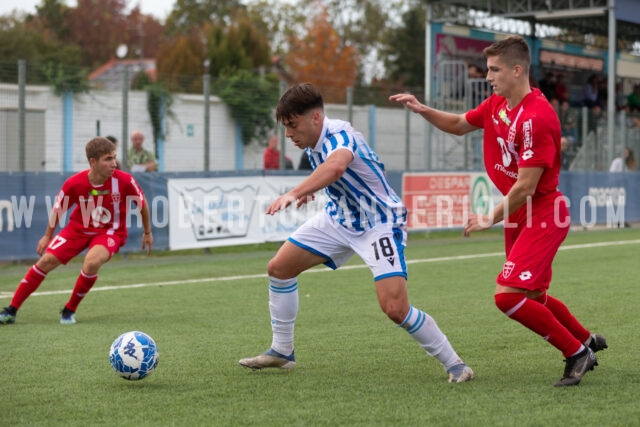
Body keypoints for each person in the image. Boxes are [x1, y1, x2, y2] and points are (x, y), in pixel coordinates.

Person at [390, 35, 607, 387]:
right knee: (533, 297)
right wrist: (422, 109)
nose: (488, 76)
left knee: (506, 297)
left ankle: (576, 353)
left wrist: (489, 217)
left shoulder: (537, 118)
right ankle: (584, 338)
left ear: (517, 70)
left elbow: (526, 186)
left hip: (544, 212)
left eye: (494, 70)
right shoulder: (498, 105)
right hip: (521, 211)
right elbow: (459, 125)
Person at [239, 83, 474, 383]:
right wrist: (310, 193)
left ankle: (455, 364)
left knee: (394, 308)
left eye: (292, 126)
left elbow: (336, 167)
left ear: (315, 118)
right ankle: (283, 351)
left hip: (379, 223)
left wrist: (295, 191)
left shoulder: (339, 134)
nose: (288, 135)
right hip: (340, 221)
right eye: (285, 127)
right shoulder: (313, 142)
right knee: (279, 268)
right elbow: (335, 177)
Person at [0, 137, 153, 325]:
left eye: (114, 157)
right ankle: (11, 310)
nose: (114, 163)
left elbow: (142, 205)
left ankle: (69, 309)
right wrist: (48, 235)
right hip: (77, 229)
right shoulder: (74, 183)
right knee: (46, 261)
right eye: (107, 159)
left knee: (92, 261)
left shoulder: (124, 180)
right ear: (93, 162)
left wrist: (147, 232)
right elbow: (58, 210)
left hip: (110, 232)